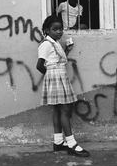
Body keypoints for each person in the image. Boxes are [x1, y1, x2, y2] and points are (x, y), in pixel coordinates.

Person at [36, 14, 90, 157]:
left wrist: (67, 50)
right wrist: (51, 75)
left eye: (60, 29)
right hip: (56, 77)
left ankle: (58, 141)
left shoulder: (54, 42)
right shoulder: (46, 44)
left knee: (58, 110)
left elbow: (57, 60)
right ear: (47, 30)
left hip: (58, 76)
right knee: (65, 111)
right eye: (55, 29)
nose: (59, 32)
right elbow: (39, 65)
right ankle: (72, 144)